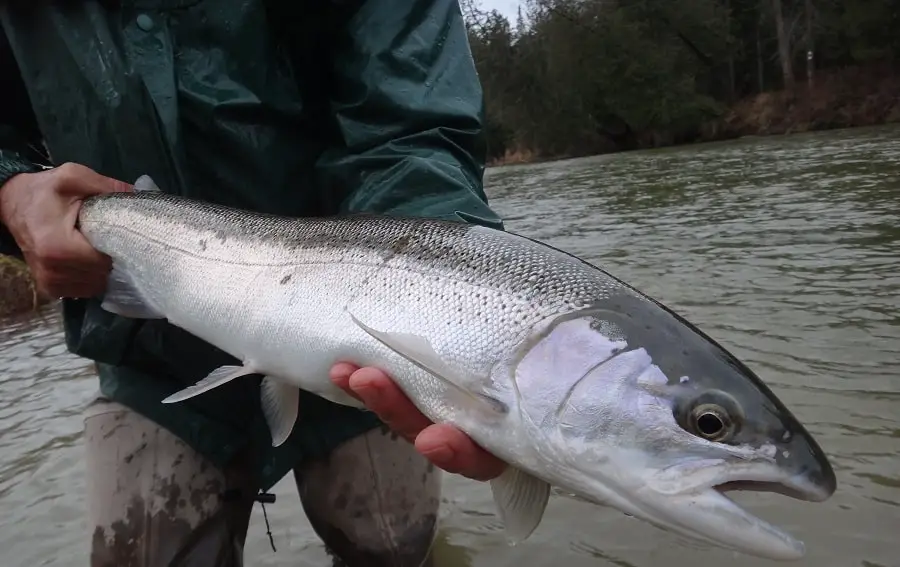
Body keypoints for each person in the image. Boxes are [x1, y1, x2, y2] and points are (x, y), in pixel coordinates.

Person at [0, 1, 507, 565]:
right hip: (145, 356)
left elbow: (414, 129)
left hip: (364, 347)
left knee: (398, 551)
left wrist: (444, 317)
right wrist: (9, 193)